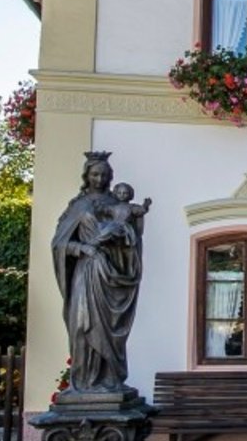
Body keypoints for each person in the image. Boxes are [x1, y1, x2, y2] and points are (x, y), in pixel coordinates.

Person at [49, 152, 146, 394]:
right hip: (87, 273)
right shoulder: (78, 206)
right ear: (87, 176)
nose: (100, 178)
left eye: (104, 174)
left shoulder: (118, 204)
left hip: (112, 274)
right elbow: (59, 244)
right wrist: (83, 248)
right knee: (84, 325)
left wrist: (125, 233)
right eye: (95, 174)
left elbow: (132, 242)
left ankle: (111, 380)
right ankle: (85, 382)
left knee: (112, 331)